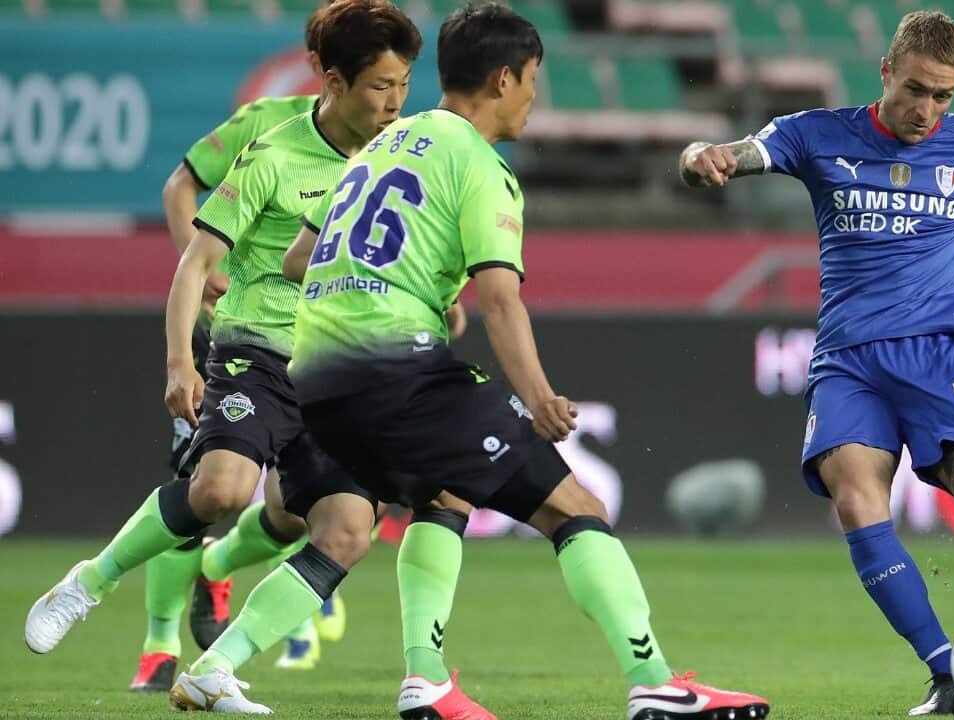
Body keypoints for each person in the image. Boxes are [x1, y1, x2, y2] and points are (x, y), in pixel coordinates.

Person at [169, 4, 772, 718]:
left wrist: (389, 282)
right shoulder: (480, 166)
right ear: (504, 77)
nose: (535, 97)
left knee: (406, 508)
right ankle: (655, 684)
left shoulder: (386, 143)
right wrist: (540, 397)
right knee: (575, 507)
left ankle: (233, 669)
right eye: (533, 80)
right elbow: (501, 302)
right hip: (396, 369)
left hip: (315, 382)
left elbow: (300, 259)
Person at [27, 6, 486, 717]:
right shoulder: (273, 153)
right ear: (334, 81)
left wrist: (439, 299)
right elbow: (195, 263)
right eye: (381, 87)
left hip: (338, 369)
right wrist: (181, 362)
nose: (396, 103)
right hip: (255, 352)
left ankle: (214, 668)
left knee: (345, 532)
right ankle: (90, 582)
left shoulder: (402, 158)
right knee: (220, 491)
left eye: (403, 86)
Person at [678, 10, 954, 716]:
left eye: (943, 95)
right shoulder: (817, 133)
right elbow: (734, 151)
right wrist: (703, 154)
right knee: (856, 497)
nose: (926, 109)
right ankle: (946, 673)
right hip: (848, 361)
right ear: (886, 71)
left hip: (935, 354)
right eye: (916, 88)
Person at [137, 2, 331, 688]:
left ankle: (215, 571)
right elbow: (180, 184)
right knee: (202, 483)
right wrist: (202, 262)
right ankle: (159, 648)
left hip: (317, 347)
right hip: (235, 332)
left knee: (291, 511)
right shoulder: (263, 124)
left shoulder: (383, 144)